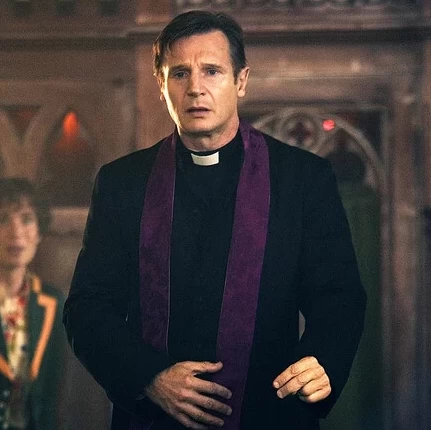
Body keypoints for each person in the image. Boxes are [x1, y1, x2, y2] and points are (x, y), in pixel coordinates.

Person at [63, 10, 367, 430]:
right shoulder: (122, 184)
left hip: (268, 411)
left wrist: (323, 359)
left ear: (241, 81)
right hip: (153, 417)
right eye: (179, 73)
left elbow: (338, 296)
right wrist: (149, 377)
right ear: (161, 85)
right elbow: (87, 308)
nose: (195, 88)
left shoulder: (302, 179)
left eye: (211, 71)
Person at [0, 178, 65, 430]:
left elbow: (52, 396)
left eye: (26, 219)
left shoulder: (52, 302)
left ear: (39, 232)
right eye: (3, 219)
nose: (16, 232)